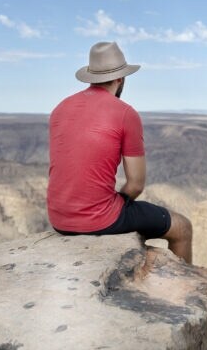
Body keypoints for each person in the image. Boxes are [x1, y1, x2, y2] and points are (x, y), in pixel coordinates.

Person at [47, 41, 193, 263]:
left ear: (91, 76)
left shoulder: (60, 108)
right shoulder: (125, 113)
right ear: (120, 78)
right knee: (182, 227)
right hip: (99, 221)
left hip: (58, 219)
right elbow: (136, 184)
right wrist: (120, 203)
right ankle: (187, 292)